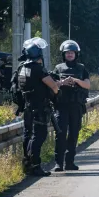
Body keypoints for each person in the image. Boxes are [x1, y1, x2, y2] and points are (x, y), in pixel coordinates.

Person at [17, 37, 59, 176]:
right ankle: (35, 165)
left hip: (28, 107)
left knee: (28, 135)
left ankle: (27, 164)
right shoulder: (37, 69)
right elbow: (53, 86)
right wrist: (56, 92)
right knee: (39, 136)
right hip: (39, 107)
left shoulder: (22, 68)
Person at [52, 40, 90, 172]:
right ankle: (58, 163)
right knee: (60, 134)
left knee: (74, 134)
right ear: (64, 54)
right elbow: (53, 85)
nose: (69, 55)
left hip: (76, 106)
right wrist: (63, 82)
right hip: (61, 106)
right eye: (67, 52)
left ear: (76, 54)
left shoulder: (81, 68)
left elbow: (87, 85)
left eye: (72, 52)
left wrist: (76, 81)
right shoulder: (58, 68)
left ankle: (70, 162)